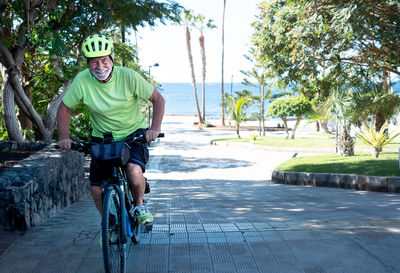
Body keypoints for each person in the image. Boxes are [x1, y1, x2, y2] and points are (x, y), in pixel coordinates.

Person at [57, 33, 164, 226]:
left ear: (112, 59)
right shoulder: (82, 81)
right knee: (97, 190)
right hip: (103, 139)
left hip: (132, 135)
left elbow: (158, 99)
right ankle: (110, 224)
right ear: (87, 64)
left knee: (133, 171)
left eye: (104, 60)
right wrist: (64, 137)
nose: (100, 67)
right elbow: (64, 108)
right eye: (94, 63)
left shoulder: (128, 76)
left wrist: (154, 129)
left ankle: (139, 205)